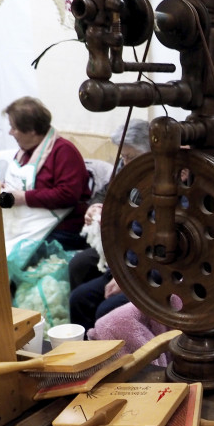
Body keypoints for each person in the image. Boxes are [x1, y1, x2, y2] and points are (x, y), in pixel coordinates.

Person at [69, 119, 151, 330]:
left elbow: (148, 237)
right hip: (121, 246)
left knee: (106, 308)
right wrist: (96, 207)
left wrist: (126, 277)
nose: (125, 161)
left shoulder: (162, 183)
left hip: (145, 257)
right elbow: (105, 193)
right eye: (123, 156)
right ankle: (86, 352)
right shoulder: (126, 167)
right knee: (79, 270)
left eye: (131, 156)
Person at [1, 96, 91, 254]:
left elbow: (68, 194)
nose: (10, 133)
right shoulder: (25, 152)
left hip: (63, 229)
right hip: (28, 224)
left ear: (32, 130)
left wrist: (23, 197)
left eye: (14, 128)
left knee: (16, 255)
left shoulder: (64, 152)